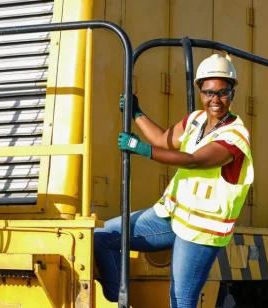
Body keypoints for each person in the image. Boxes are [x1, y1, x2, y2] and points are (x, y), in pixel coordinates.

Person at [94, 54, 254, 307]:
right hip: (172, 214)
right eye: (209, 92)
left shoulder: (235, 135)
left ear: (232, 93)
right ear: (200, 91)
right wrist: (137, 113)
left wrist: (142, 149)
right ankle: (117, 301)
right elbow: (163, 139)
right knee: (104, 237)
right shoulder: (196, 120)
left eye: (223, 92)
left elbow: (195, 159)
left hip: (202, 230)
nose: (215, 99)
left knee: (181, 299)